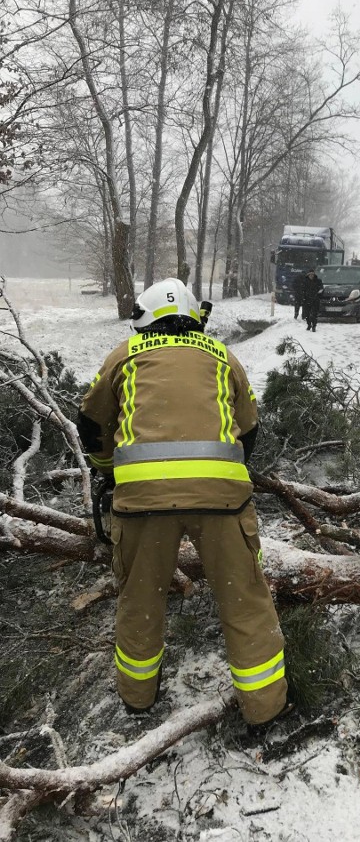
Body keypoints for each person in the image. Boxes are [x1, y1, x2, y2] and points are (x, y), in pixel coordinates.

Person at [76, 278, 288, 728]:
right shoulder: (221, 355)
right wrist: (219, 473)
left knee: (140, 599)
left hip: (141, 505)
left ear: (144, 318)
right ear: (196, 316)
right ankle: (264, 710)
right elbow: (248, 427)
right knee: (246, 600)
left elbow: (91, 422)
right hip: (223, 502)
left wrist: (107, 468)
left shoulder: (123, 355)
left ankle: (138, 700)